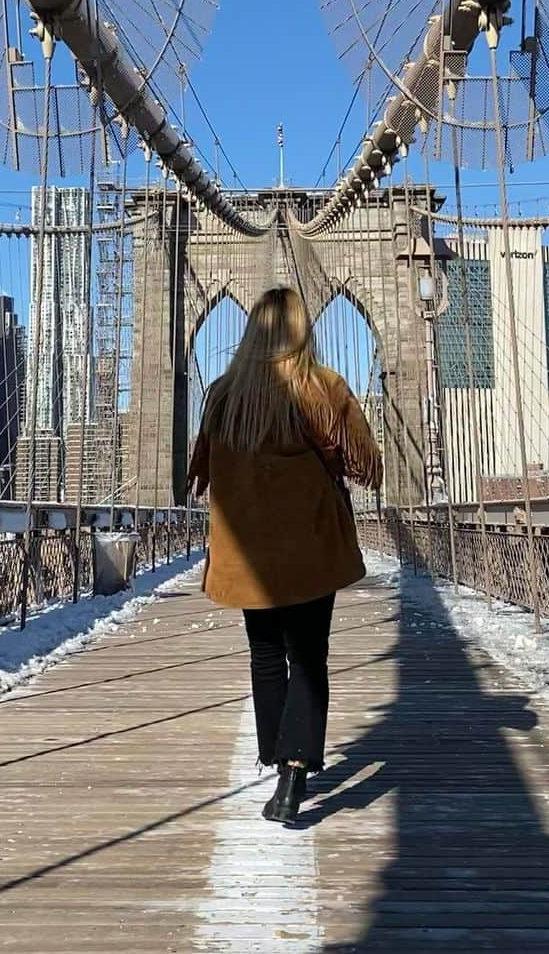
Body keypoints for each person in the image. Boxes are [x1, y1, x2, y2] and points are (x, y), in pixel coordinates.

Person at [187, 286, 383, 826]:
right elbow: (367, 458)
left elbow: (203, 469)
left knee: (266, 654)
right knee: (309, 654)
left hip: (250, 550)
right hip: (311, 544)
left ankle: (280, 759)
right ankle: (294, 770)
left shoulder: (225, 395)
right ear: (304, 329)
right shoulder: (325, 388)